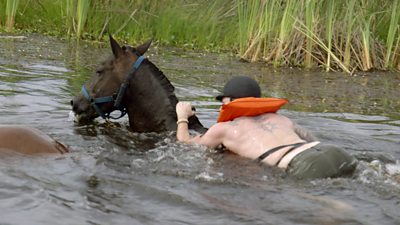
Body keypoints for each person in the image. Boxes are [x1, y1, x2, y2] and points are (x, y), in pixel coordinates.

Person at [176, 76, 357, 179]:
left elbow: (186, 143)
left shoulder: (224, 128)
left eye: (223, 101)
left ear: (230, 102)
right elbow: (312, 140)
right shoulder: (281, 119)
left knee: (324, 204)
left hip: (303, 165)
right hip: (333, 152)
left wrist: (182, 117)